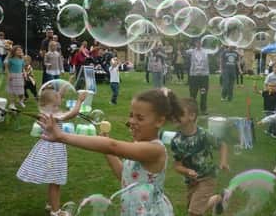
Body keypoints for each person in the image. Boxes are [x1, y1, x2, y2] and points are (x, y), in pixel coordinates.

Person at [38, 88, 182, 216]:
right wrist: (108, 153)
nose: (131, 121)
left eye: (140, 118)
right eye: (131, 115)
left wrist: (62, 136)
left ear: (159, 121)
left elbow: (113, 146)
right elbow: (124, 176)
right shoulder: (138, 146)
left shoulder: (155, 150)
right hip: (132, 210)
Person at [16, 89, 86, 216]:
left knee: (53, 180)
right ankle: (55, 211)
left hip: (49, 148)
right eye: (54, 106)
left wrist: (62, 90)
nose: (57, 108)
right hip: (53, 151)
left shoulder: (46, 114)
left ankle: (50, 204)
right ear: (43, 106)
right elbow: (73, 113)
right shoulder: (52, 117)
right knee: (55, 182)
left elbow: (56, 98)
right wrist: (80, 100)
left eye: (58, 105)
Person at [171, 98, 229, 216]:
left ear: (192, 116)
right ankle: (219, 198)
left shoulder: (204, 135)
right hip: (191, 181)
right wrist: (187, 171)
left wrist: (223, 162)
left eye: (178, 113)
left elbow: (222, 145)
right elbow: (177, 166)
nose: (174, 116)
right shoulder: (176, 141)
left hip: (208, 177)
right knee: (196, 207)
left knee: (194, 212)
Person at [187, 40, 210, 115]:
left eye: (199, 43)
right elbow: (184, 52)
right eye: (197, 42)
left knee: (203, 92)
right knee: (193, 93)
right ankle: (192, 110)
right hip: (194, 76)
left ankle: (203, 109)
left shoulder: (205, 51)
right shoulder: (192, 51)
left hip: (204, 76)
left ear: (201, 43)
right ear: (195, 43)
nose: (198, 44)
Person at [4, 45, 25, 110]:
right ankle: (12, 104)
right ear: (14, 51)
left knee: (21, 92)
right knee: (12, 91)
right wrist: (9, 74)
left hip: (20, 76)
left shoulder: (21, 59)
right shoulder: (10, 59)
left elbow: (23, 68)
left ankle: (20, 101)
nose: (20, 51)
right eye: (18, 50)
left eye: (20, 50)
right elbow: (6, 68)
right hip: (12, 76)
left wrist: (24, 72)